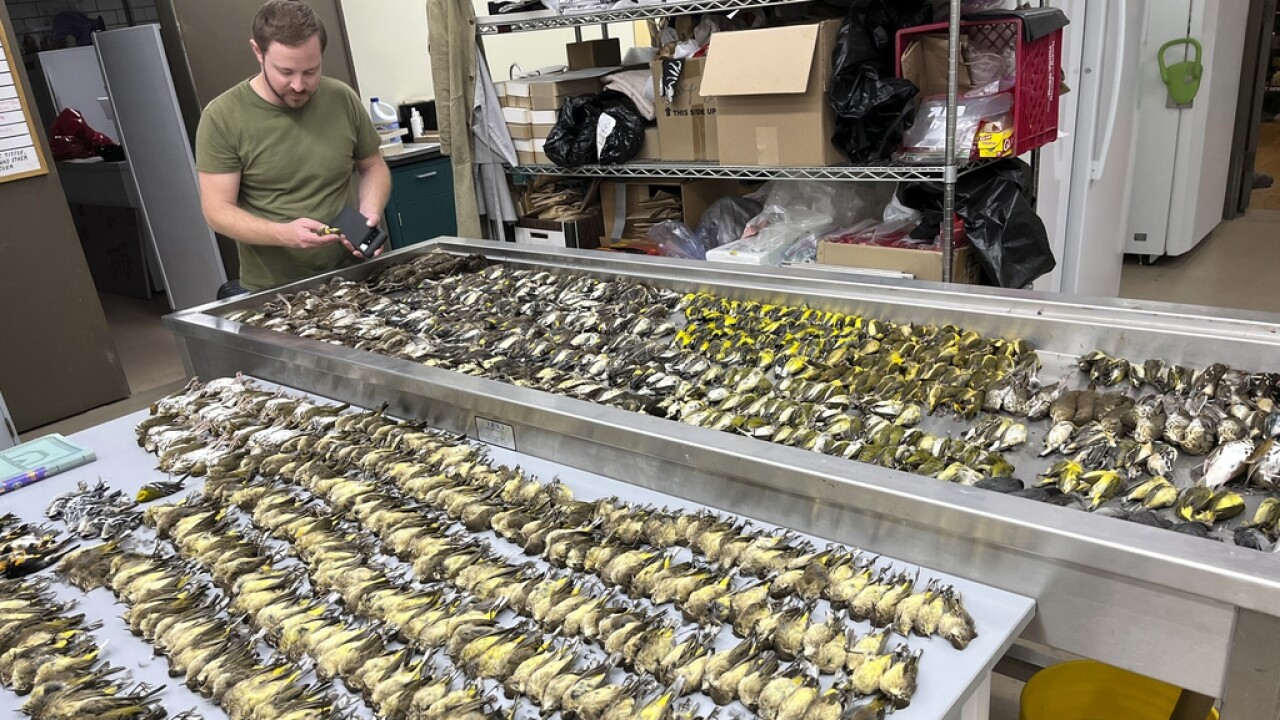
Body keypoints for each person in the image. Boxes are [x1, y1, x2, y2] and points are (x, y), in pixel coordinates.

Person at [196, 0, 390, 293]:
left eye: (311, 71)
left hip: (355, 274)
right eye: (286, 72)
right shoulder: (222, 117)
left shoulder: (342, 99)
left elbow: (373, 166)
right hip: (275, 289)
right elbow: (216, 210)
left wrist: (368, 214)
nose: (299, 85)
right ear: (257, 51)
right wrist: (283, 234)